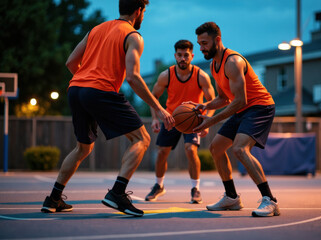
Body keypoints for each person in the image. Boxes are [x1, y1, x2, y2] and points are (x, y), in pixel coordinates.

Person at [41, 0, 175, 217]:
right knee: (142, 139)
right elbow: (132, 77)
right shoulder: (133, 36)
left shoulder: (96, 29)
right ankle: (117, 193)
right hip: (99, 90)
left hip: (75, 89)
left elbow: (71, 62)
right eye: (144, 11)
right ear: (139, 10)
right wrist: (159, 107)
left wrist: (86, 79)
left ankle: (53, 198)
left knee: (83, 148)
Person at [194, 22, 280, 217]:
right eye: (199, 43)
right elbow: (224, 99)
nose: (201, 48)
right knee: (216, 148)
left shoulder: (232, 62)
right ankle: (231, 197)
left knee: (240, 149)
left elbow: (241, 100)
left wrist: (210, 121)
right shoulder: (213, 65)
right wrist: (206, 106)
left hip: (260, 106)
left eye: (204, 43)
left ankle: (270, 200)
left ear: (217, 40)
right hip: (243, 108)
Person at [145, 40, 215, 203]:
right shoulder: (166, 75)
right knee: (162, 152)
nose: (183, 58)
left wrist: (208, 121)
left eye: (186, 55)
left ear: (192, 56)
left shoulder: (201, 76)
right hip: (171, 119)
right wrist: (155, 118)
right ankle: (159, 186)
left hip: (193, 121)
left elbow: (212, 100)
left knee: (191, 150)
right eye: (179, 55)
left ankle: (195, 189)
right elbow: (152, 97)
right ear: (175, 56)